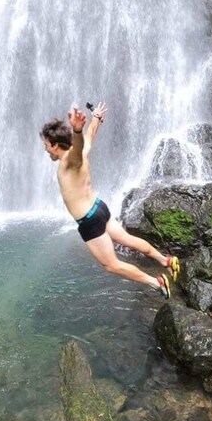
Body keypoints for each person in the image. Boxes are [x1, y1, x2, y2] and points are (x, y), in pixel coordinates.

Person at [40, 102, 180, 298]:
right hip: (99, 207)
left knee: (111, 265)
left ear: (55, 145)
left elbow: (79, 145)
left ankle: (156, 283)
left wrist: (77, 130)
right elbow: (90, 136)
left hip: (90, 220)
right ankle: (166, 261)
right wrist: (95, 119)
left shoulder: (69, 161)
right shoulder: (79, 153)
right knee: (127, 239)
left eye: (46, 145)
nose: (46, 149)